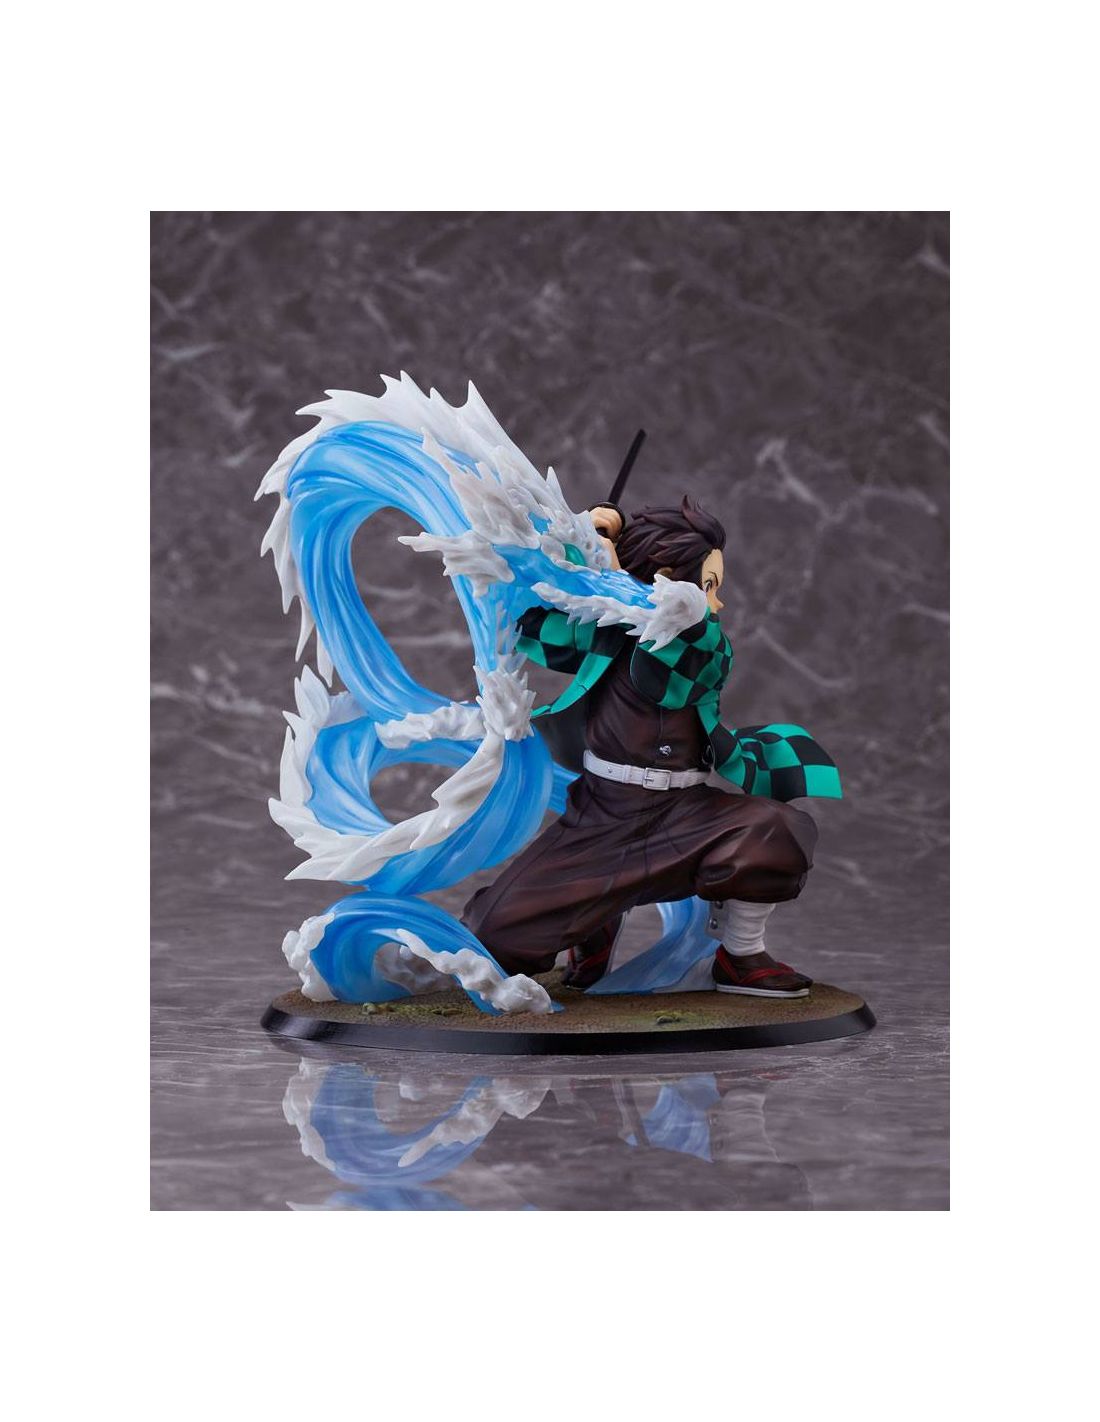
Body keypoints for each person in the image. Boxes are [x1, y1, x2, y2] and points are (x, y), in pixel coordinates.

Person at [463, 496, 841, 997]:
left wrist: (616, 574)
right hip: (603, 814)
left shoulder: (701, 640)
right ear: (662, 576)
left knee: (779, 831)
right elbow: (534, 623)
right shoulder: (605, 629)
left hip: (684, 814)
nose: (718, 603)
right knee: (489, 940)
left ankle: (741, 955)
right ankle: (593, 926)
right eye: (709, 587)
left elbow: (671, 663)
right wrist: (581, 542)